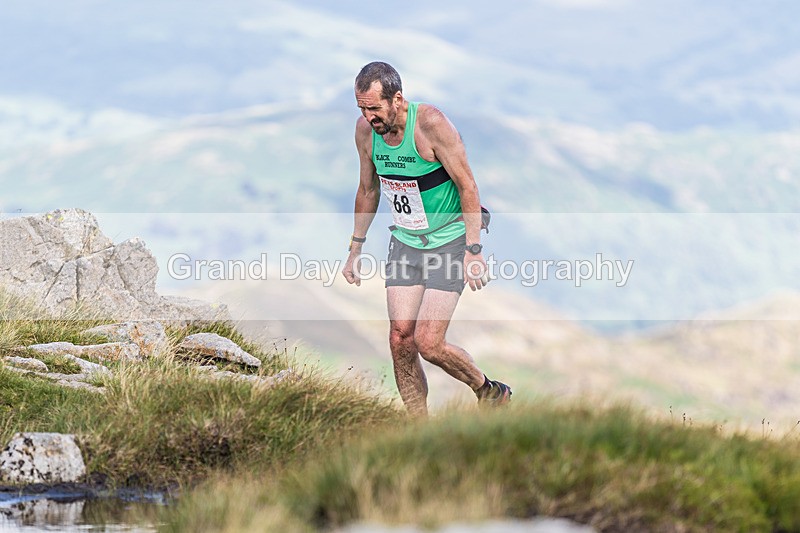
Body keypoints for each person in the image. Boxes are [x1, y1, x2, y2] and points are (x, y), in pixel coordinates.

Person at [342, 61, 512, 417]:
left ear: (397, 99)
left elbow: (467, 185)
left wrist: (474, 250)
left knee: (429, 342)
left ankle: (489, 391)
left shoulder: (430, 124)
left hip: (449, 240)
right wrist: (354, 249)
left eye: (374, 108)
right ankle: (418, 427)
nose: (369, 117)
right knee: (400, 339)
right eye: (362, 108)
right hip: (406, 242)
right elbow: (367, 189)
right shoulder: (365, 132)